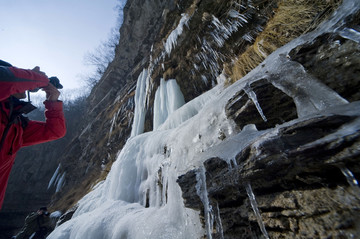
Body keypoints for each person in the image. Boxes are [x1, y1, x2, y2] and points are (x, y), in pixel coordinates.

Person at [0, 60, 66, 209]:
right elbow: (8, 78)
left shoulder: (16, 124)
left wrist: (52, 101)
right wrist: (37, 78)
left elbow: (55, 131)